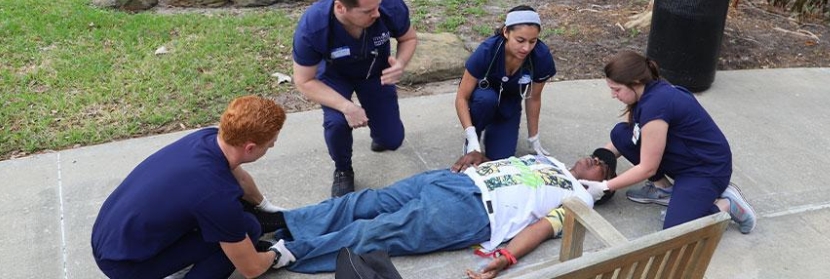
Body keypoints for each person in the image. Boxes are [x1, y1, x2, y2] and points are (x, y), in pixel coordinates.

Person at [258, 150, 617, 277]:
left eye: (602, 166)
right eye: (596, 155)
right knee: (366, 201)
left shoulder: (578, 199)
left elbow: (541, 227)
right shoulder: (548, 159)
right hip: (455, 181)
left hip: (472, 212)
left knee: (380, 231)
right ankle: (285, 222)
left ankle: (288, 253)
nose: (594, 159)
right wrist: (478, 158)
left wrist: (505, 258)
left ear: (603, 185)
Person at [91, 96, 290, 279]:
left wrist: (265, 205)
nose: (271, 146)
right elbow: (252, 268)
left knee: (239, 218)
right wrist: (275, 254)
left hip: (110, 238)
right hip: (126, 266)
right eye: (270, 144)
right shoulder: (217, 193)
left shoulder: (209, 138)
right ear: (250, 148)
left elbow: (241, 181)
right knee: (248, 227)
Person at [579, 50, 757, 234]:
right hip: (686, 156)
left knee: (675, 232)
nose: (613, 95)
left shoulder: (656, 106)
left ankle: (728, 204)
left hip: (706, 169)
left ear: (636, 83)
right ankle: (663, 189)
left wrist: (604, 186)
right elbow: (626, 140)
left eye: (616, 89)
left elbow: (648, 168)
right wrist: (597, 158)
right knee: (620, 133)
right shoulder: (649, 91)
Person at [292, 0, 418, 197]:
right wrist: (347, 107)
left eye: (377, 6)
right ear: (341, 8)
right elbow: (303, 81)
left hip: (374, 73)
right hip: (334, 77)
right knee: (337, 123)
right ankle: (343, 169)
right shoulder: (314, 26)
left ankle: (380, 134)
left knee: (392, 140)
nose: (377, 13)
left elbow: (408, 38)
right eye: (367, 11)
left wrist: (400, 63)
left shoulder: (389, 6)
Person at [451, 6, 556, 173]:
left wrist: (533, 137)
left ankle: (499, 129)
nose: (526, 48)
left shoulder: (541, 57)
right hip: (483, 98)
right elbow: (461, 98)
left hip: (509, 103)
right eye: (520, 40)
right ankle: (473, 139)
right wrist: (470, 135)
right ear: (506, 32)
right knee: (486, 99)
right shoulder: (487, 51)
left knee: (500, 161)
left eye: (533, 41)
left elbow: (533, 98)